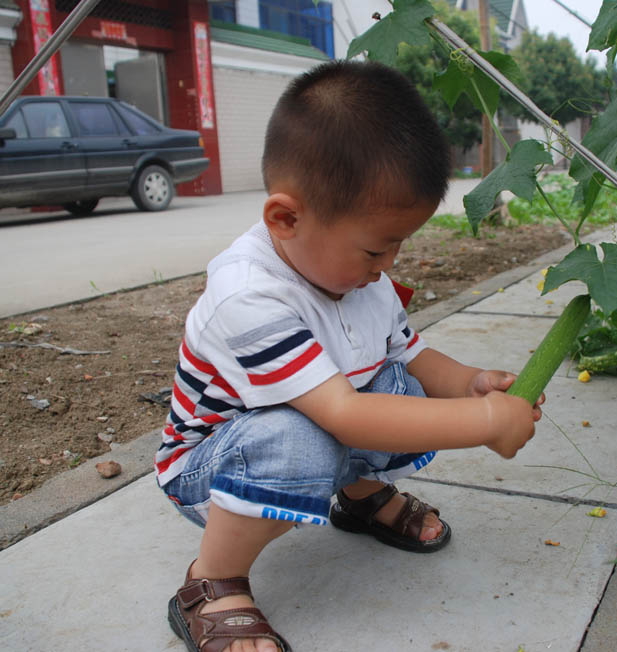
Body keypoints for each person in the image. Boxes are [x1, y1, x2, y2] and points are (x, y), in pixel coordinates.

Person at [157, 60, 543, 652]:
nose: (387, 265)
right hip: (212, 469)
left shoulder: (362, 278)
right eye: (375, 247)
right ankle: (212, 579)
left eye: (398, 245)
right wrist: (485, 424)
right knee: (300, 435)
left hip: (306, 432)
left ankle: (360, 498)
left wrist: (471, 386)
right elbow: (343, 415)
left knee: (398, 386)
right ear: (286, 219)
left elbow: (411, 358)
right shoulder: (249, 295)